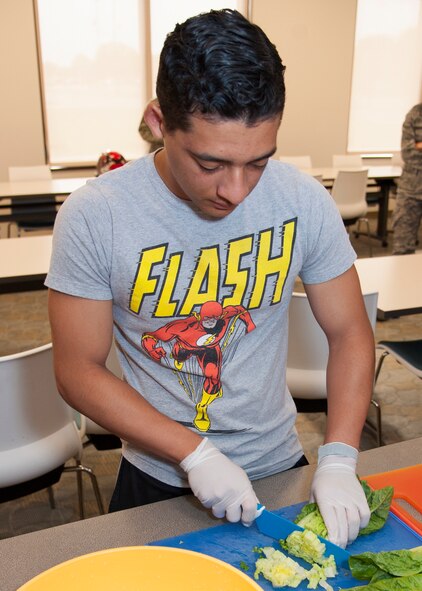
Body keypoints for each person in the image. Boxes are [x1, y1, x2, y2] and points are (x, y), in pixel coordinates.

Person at [46, 9, 375, 549]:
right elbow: (77, 370)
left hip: (279, 465)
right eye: (211, 163)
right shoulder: (96, 215)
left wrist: (339, 456)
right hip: (158, 476)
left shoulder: (302, 200)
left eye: (259, 163)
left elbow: (350, 332)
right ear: (157, 121)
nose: (237, 190)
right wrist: (193, 452)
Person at [393, 102, 422, 255]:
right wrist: (415, 146)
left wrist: (419, 145)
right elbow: (408, 152)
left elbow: (415, 148)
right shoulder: (414, 115)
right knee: (402, 246)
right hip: (410, 188)